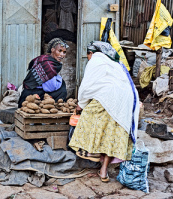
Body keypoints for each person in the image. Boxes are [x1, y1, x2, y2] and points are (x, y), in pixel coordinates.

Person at [68, 41, 139, 182]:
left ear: (91, 53)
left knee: (88, 117)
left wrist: (80, 105)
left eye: (87, 55)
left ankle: (91, 153)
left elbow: (86, 87)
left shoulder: (96, 60)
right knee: (111, 135)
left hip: (110, 98)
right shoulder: (114, 63)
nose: (88, 58)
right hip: (126, 100)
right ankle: (103, 171)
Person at [18, 38, 68, 107]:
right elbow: (50, 87)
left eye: (64, 52)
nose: (62, 55)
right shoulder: (48, 65)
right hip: (32, 96)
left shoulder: (43, 58)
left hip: (27, 93)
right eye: (59, 51)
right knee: (62, 88)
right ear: (52, 50)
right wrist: (60, 80)